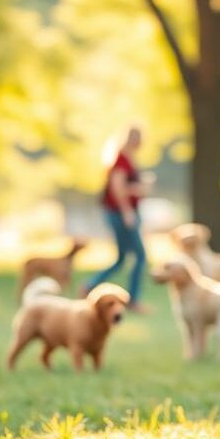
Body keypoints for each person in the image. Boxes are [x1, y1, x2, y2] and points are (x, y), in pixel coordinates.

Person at [82, 126, 151, 312]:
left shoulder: (128, 159)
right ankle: (133, 300)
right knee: (139, 255)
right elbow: (117, 188)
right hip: (120, 213)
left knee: (122, 258)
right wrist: (128, 210)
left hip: (123, 212)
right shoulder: (121, 160)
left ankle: (89, 286)